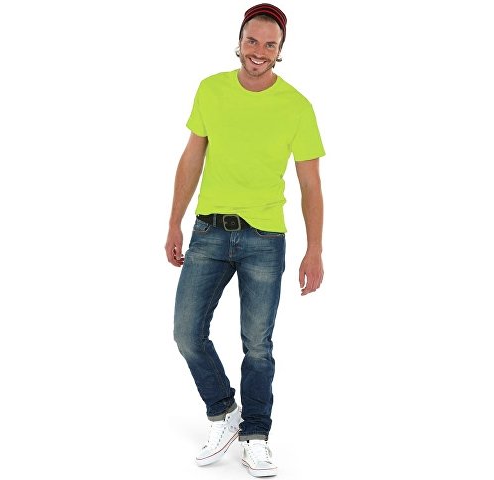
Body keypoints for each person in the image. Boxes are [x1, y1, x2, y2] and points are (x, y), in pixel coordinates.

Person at [165, 3, 325, 477]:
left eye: (269, 45)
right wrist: (174, 222)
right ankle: (224, 411)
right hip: (209, 231)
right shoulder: (210, 89)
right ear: (239, 42)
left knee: (257, 344)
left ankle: (256, 435)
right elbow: (191, 158)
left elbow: (311, 185)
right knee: (186, 332)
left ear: (280, 50)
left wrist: (314, 249)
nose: (259, 51)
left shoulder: (297, 106)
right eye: (252, 41)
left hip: (264, 238)